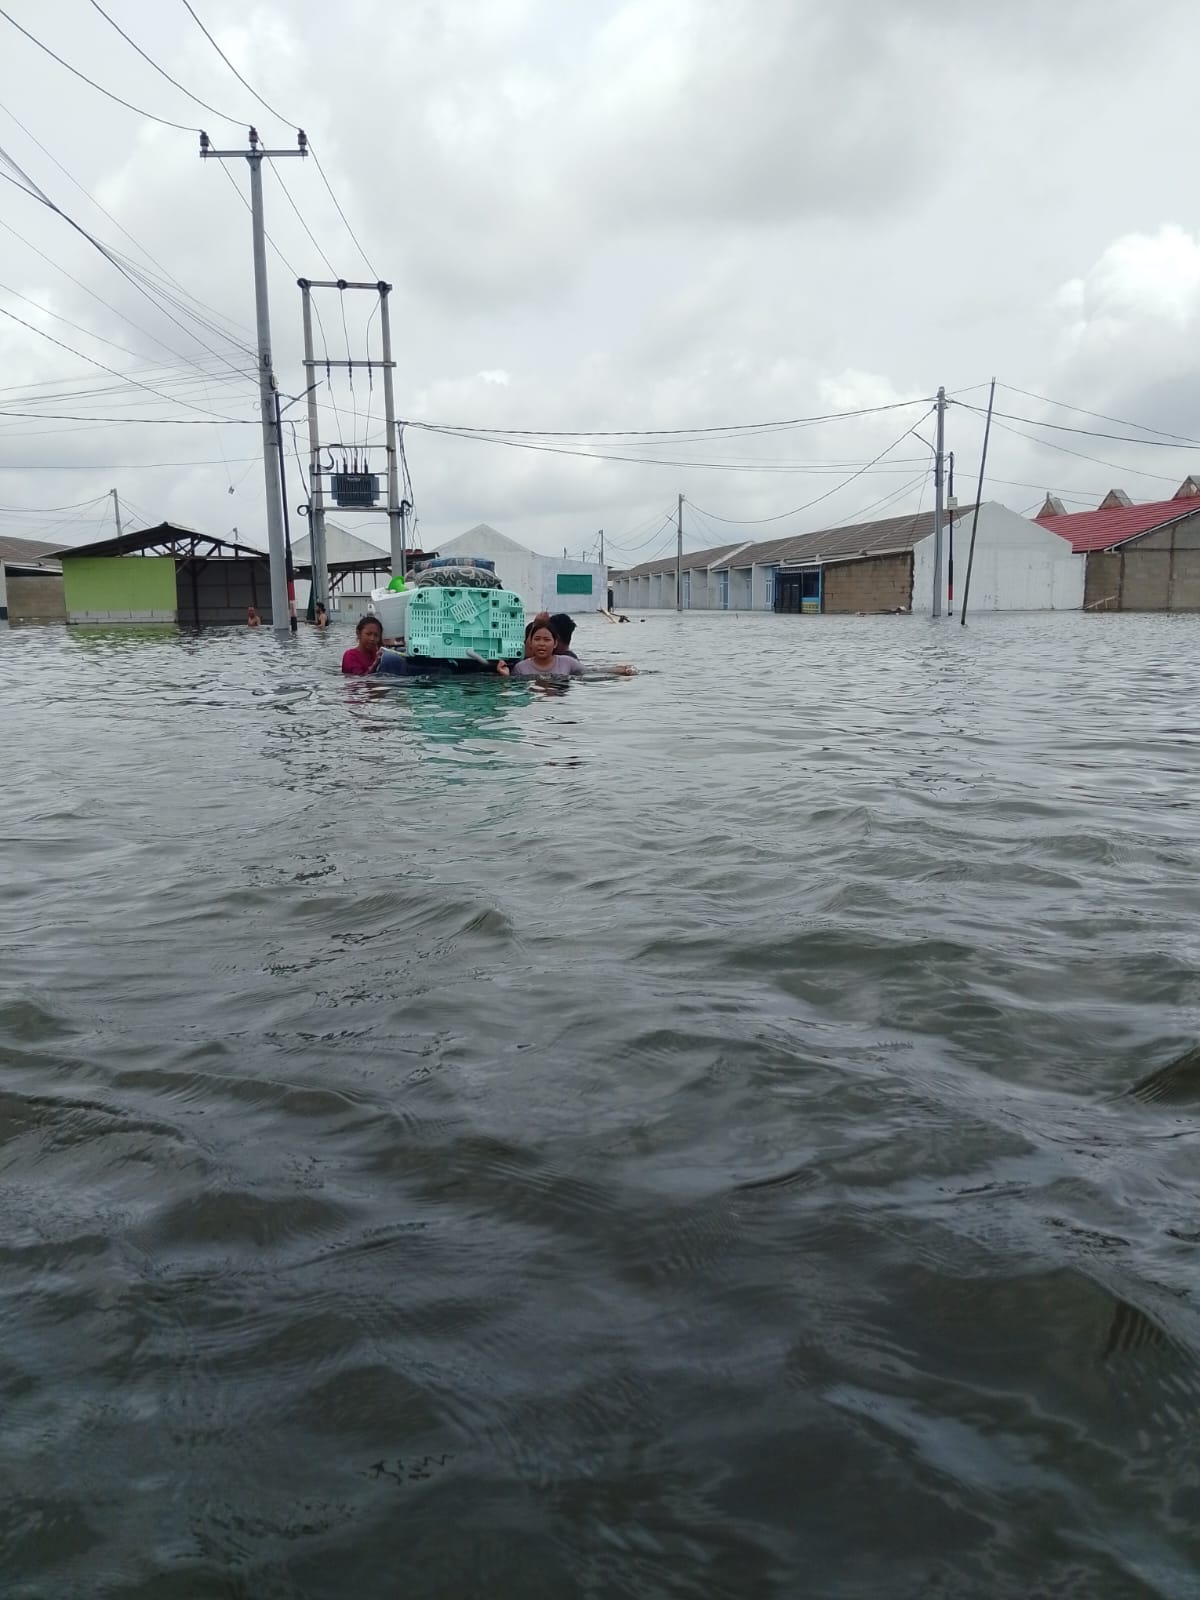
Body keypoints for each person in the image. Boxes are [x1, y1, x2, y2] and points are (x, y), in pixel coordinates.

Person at [501, 621, 633, 678]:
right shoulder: (520, 668)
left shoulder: (567, 662)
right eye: (537, 639)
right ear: (530, 643)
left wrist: (619, 670)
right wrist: (505, 678)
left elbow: (591, 672)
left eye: (547, 640)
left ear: (555, 643)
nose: (541, 644)